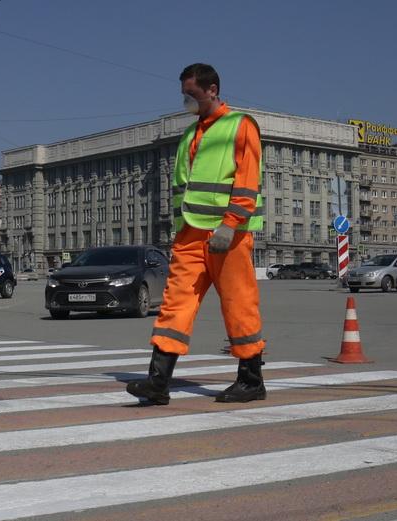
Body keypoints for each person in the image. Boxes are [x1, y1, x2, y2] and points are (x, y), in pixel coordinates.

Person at [128, 63, 267, 405]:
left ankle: (252, 381)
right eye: (183, 95)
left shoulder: (240, 125)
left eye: (191, 94)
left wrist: (230, 223)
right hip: (190, 236)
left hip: (227, 236)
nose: (186, 100)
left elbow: (247, 181)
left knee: (238, 304)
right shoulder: (191, 134)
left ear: (212, 90)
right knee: (175, 304)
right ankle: (158, 382)